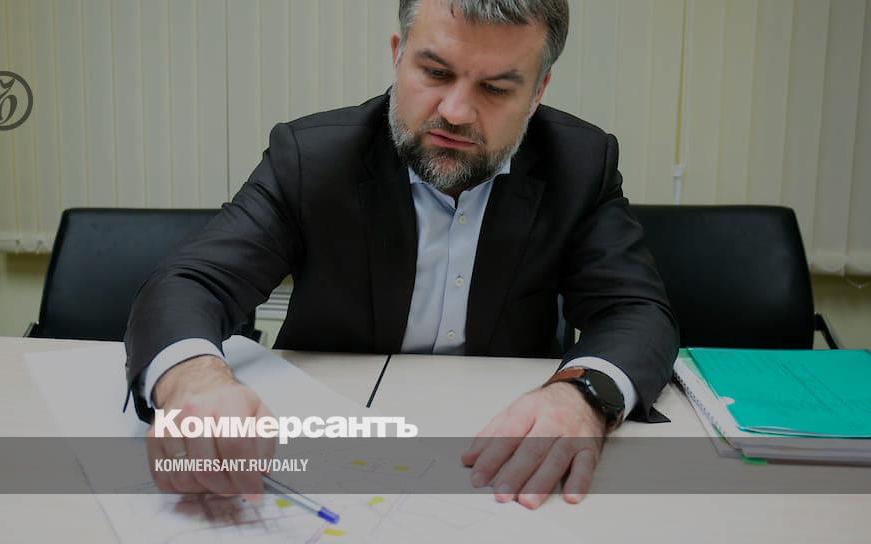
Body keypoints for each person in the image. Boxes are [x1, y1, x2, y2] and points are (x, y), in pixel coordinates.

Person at [124, 0, 678, 510]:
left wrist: (582, 397)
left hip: (498, 457)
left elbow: (634, 310)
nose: (456, 112)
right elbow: (191, 282)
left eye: (496, 88)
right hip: (327, 449)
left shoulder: (580, 164)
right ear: (398, 55)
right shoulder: (312, 158)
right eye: (435, 73)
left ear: (538, 91)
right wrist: (194, 381)